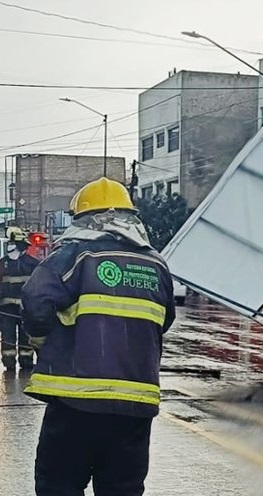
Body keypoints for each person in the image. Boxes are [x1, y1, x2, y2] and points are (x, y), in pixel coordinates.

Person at [22, 177, 176, 496]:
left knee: (58, 485)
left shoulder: (75, 256)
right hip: (135, 406)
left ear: (82, 220)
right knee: (122, 489)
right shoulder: (155, 264)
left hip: (76, 402)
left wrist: (42, 340)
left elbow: (36, 300)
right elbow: (164, 319)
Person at [0, 228, 40, 371]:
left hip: (26, 309)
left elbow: (39, 287)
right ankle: (9, 362)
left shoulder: (33, 264)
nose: (9, 246)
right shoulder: (2, 264)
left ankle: (26, 361)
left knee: (26, 337)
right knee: (7, 337)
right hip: (6, 310)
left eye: (12, 243)